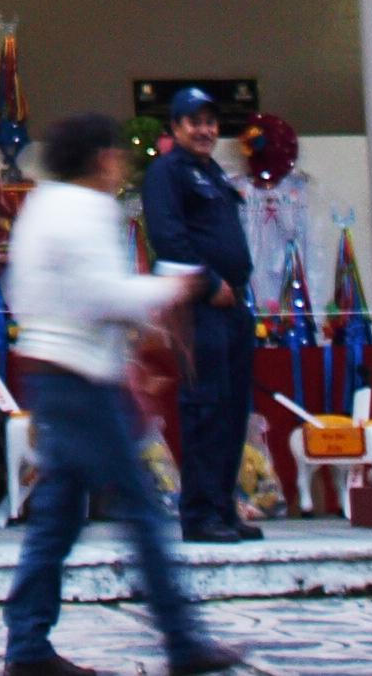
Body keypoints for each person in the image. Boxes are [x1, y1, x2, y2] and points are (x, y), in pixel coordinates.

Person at [0, 113, 244, 676]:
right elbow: (102, 294)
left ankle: (28, 643)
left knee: (59, 516)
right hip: (82, 375)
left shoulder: (39, 206)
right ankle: (182, 643)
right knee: (141, 508)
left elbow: (33, 292)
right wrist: (178, 285)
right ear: (103, 159)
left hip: (52, 365)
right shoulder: (90, 210)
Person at [141, 87, 259, 543]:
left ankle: (223, 506)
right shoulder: (166, 173)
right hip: (199, 307)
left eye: (211, 121)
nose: (205, 130)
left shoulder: (213, 173)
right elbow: (169, 238)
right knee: (205, 407)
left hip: (235, 307)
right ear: (175, 127)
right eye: (194, 122)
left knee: (233, 409)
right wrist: (211, 285)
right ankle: (200, 514)